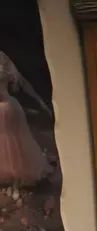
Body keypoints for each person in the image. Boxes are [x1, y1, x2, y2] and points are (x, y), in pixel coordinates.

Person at [0, 50, 51, 189]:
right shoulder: (5, 62)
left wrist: (40, 103)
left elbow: (23, 84)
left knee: (13, 140)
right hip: (7, 105)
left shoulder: (4, 60)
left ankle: (16, 177)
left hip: (7, 107)